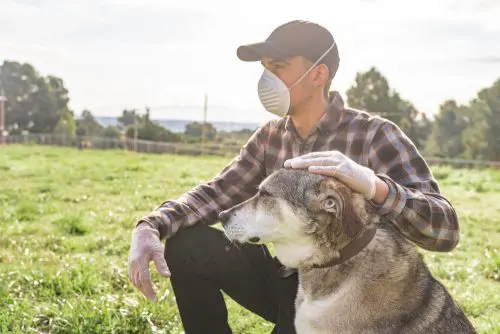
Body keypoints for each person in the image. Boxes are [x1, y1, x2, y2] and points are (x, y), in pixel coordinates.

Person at [127, 20, 460, 334]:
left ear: (318, 75)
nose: (266, 80)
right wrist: (151, 225)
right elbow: (218, 192)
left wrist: (374, 186)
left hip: (357, 295)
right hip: (287, 278)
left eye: (279, 67)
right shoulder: (270, 137)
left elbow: (444, 230)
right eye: (265, 69)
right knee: (189, 246)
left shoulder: (375, 135)